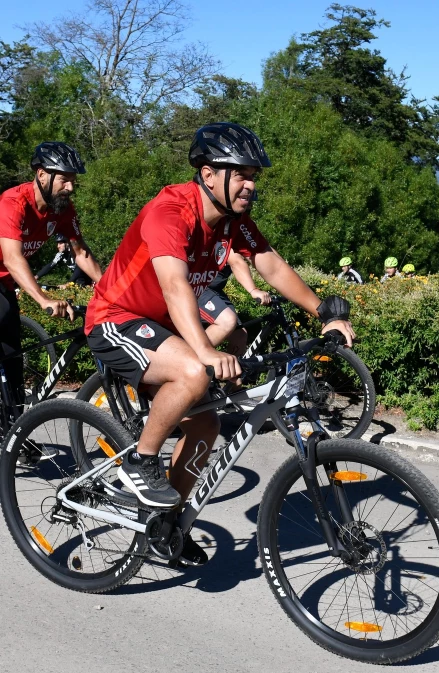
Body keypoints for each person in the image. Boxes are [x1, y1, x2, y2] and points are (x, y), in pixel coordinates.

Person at [84, 122, 354, 566]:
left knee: (207, 427)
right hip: (116, 318)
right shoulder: (170, 211)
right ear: (209, 174)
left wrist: (323, 310)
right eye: (241, 174)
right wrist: (205, 353)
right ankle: (140, 461)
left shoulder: (233, 222)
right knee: (192, 372)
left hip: (160, 325)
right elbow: (174, 286)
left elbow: (270, 264)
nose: (251, 185)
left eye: (254, 176)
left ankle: (164, 525)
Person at [0, 142, 102, 418]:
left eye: (73, 181)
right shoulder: (13, 202)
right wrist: (43, 298)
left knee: (12, 357)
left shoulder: (62, 210)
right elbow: (11, 258)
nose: (70, 187)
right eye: (65, 180)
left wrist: (111, 289)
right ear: (42, 174)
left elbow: (81, 253)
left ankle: (15, 428)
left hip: (5, 283)